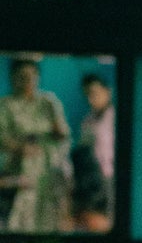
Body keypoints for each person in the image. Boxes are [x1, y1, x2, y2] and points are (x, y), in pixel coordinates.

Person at [0, 55, 72, 231]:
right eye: (22, 76)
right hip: (19, 173)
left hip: (48, 171)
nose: (27, 81)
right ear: (13, 77)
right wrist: (20, 147)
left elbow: (63, 135)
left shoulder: (48, 101)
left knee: (48, 221)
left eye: (31, 76)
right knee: (20, 223)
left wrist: (53, 119)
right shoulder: (6, 105)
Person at [70, 71, 116, 231]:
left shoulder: (117, 118)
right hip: (93, 180)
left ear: (107, 91)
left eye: (95, 93)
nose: (91, 99)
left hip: (113, 177)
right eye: (87, 95)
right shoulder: (87, 122)